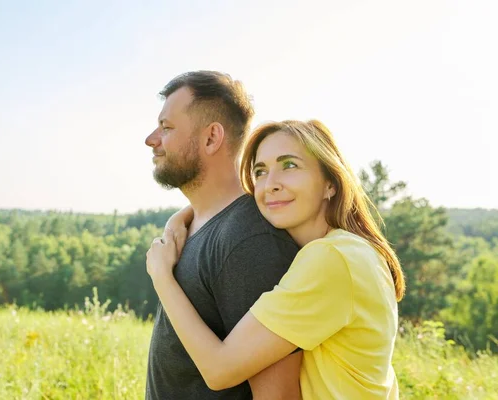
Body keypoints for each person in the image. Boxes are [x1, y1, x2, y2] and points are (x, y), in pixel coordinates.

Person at [147, 119, 406, 399]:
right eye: (260, 171)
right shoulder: (354, 250)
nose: (270, 185)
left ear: (330, 183)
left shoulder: (330, 259)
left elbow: (219, 370)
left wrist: (162, 276)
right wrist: (182, 218)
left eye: (290, 165)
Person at [144, 71, 303, 399]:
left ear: (211, 138)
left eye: (167, 127)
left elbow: (279, 394)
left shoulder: (250, 242)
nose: (151, 139)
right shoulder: (192, 225)